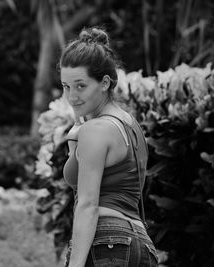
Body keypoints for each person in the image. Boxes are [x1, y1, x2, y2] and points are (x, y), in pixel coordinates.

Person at [60, 27, 159, 267]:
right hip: (139, 245)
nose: (72, 96)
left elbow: (87, 205)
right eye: (66, 86)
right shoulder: (130, 125)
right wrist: (75, 149)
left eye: (80, 86)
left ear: (104, 82)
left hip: (108, 244)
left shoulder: (95, 130)